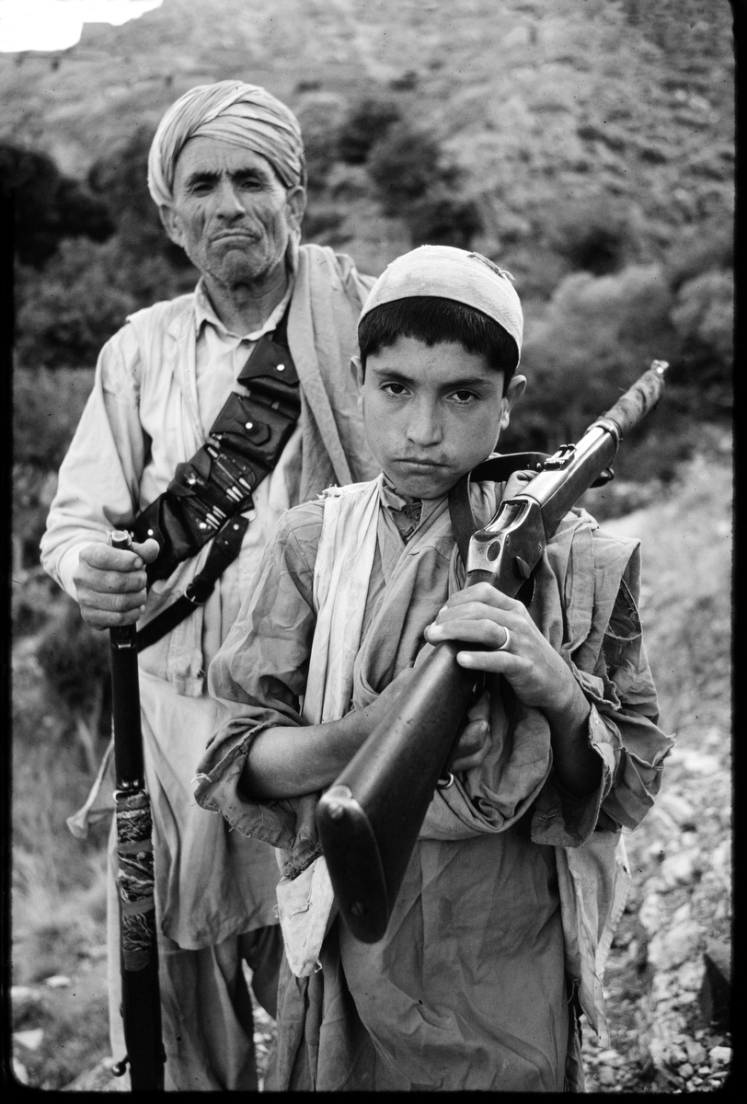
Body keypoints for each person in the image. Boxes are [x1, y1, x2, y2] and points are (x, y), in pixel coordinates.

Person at [194, 245, 674, 1092]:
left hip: (509, 958)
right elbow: (239, 761)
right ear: (356, 381)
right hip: (352, 947)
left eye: (462, 395)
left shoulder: (574, 555)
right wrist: (376, 730)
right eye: (395, 388)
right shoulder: (311, 544)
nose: (422, 430)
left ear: (507, 401)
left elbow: (625, 786)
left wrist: (560, 697)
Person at [40, 80, 379, 1091]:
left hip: (320, 722)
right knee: (181, 1005)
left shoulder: (366, 323)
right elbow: (75, 524)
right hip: (172, 724)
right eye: (203, 186)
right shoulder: (137, 352)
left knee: (334, 981)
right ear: (170, 216)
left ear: (293, 198)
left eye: (251, 179)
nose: (229, 204)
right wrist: (89, 569)